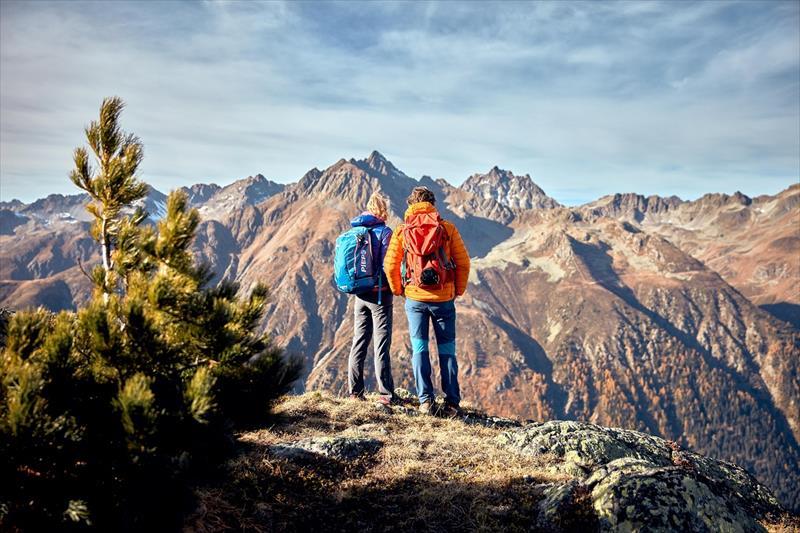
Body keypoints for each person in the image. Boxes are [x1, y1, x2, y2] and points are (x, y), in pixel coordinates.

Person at [383, 186, 470, 416]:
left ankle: (425, 401)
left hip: (415, 299)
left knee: (419, 349)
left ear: (411, 205)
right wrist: (457, 290)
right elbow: (463, 263)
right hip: (444, 299)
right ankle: (451, 403)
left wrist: (399, 290)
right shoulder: (447, 228)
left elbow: (390, 265)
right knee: (447, 350)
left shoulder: (402, 231)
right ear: (432, 204)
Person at [347, 193, 395, 406]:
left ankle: (355, 392)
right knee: (381, 345)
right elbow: (388, 265)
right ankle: (386, 394)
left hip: (360, 294)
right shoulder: (385, 232)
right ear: (383, 210)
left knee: (359, 342)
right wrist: (395, 287)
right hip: (380, 295)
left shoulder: (356, 231)